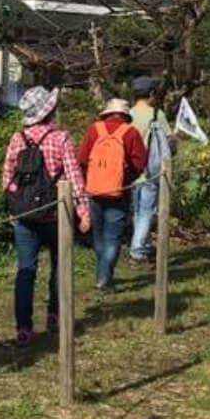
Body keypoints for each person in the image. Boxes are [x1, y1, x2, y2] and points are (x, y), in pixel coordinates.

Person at [2, 86, 90, 345]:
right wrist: (83, 211)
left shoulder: (18, 139)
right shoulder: (61, 138)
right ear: (49, 111)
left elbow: (8, 178)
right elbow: (74, 178)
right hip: (56, 215)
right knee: (59, 266)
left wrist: (15, 206)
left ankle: (23, 327)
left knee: (25, 270)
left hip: (26, 216)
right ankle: (55, 315)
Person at [78, 98, 148, 291]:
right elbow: (140, 162)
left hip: (94, 189)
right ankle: (104, 278)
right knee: (113, 237)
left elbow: (82, 159)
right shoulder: (130, 132)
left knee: (99, 235)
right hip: (119, 191)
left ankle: (103, 275)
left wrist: (90, 179)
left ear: (107, 113)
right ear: (125, 115)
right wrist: (126, 179)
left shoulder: (94, 129)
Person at [127, 76, 173, 267]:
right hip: (150, 171)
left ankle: (142, 246)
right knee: (147, 211)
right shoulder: (156, 115)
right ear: (152, 94)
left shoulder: (127, 115)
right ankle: (137, 252)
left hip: (131, 173)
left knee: (138, 211)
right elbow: (169, 141)